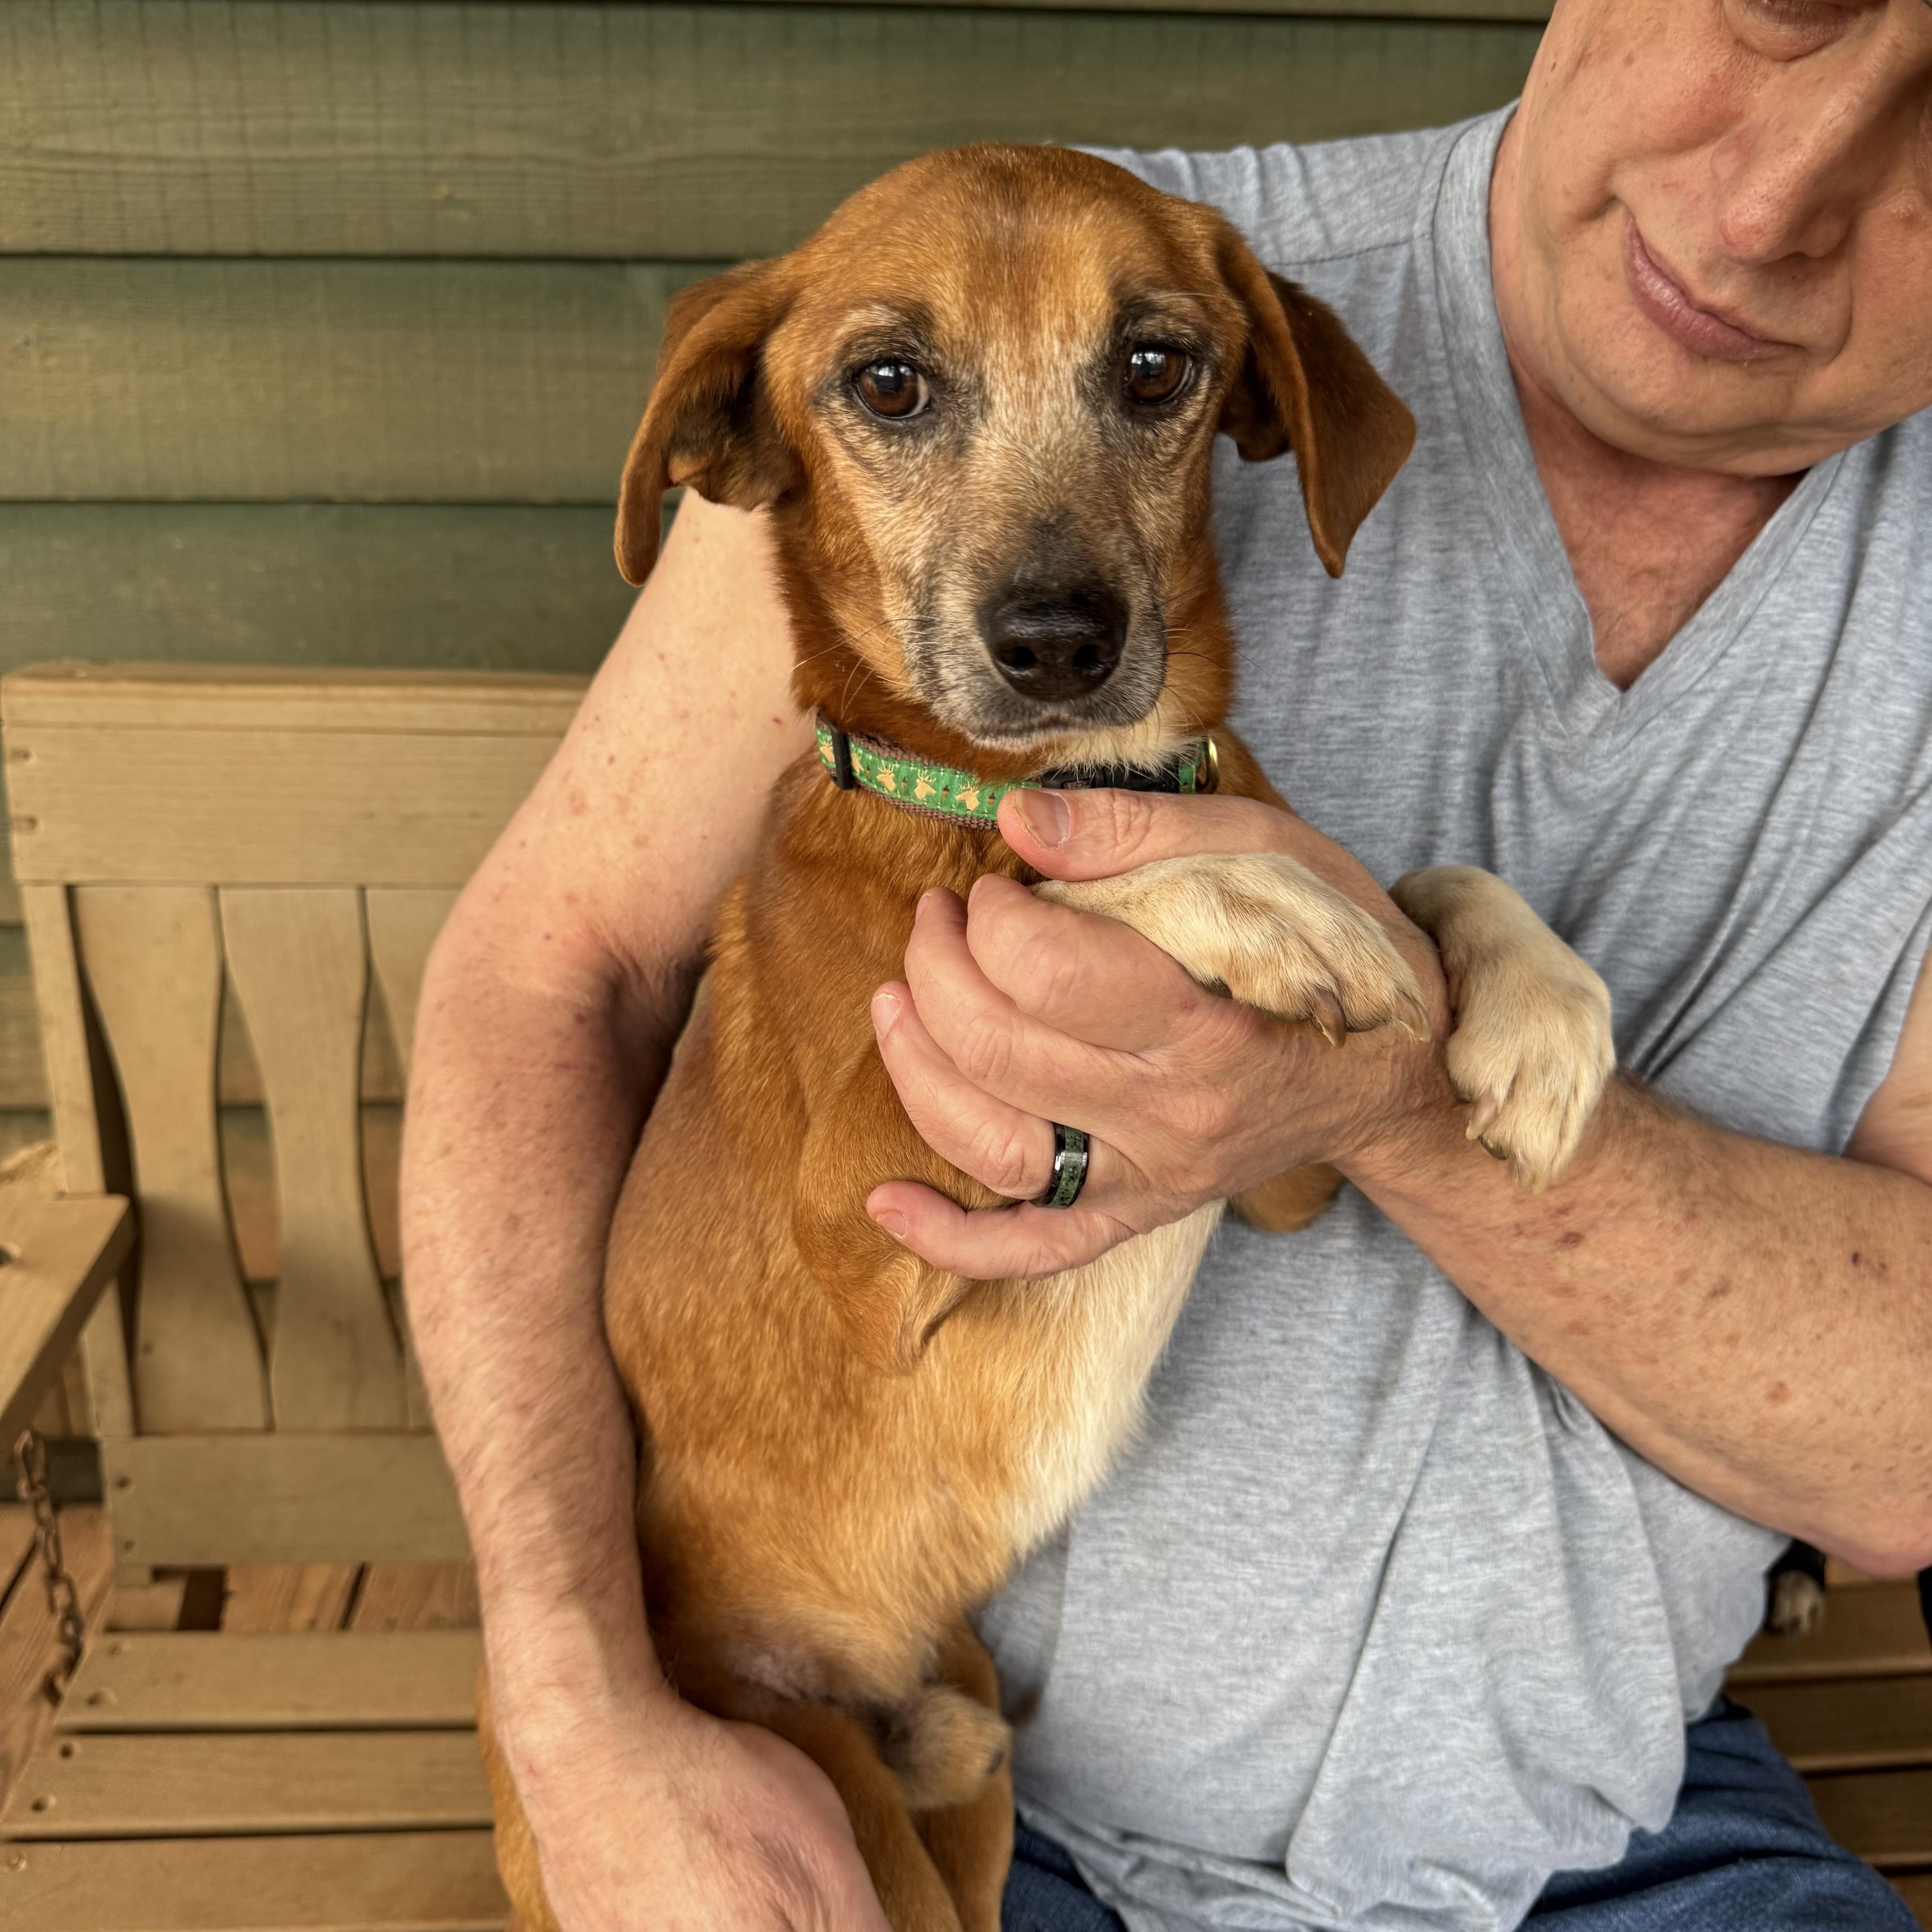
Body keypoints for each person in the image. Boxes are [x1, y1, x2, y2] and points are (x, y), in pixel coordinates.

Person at [399, 0, 1932, 1924]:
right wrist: (569, 1710)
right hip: (955, 1758)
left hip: (1612, 1827)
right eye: (1787, 4)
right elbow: (566, 981)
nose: (1782, 196)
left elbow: (1894, 1455)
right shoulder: (1033, 248)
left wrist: (1390, 1065)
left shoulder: (1216, 373)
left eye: (1145, 381)